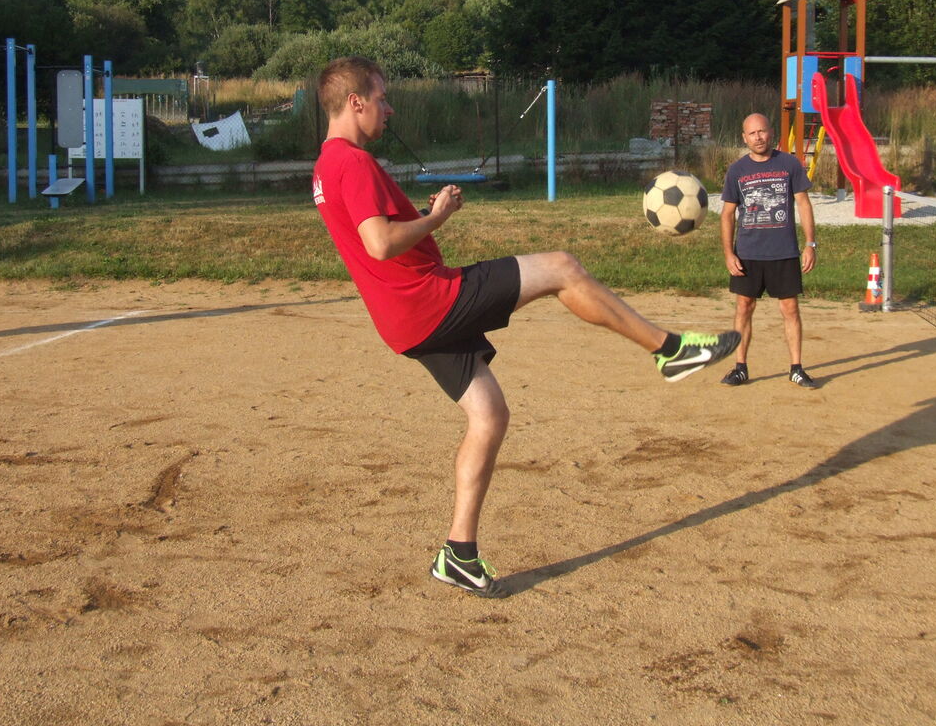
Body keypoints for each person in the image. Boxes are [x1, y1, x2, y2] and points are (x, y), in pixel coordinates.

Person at [311, 56, 739, 598]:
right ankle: (669, 349)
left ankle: (458, 554)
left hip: (405, 319)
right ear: (355, 103)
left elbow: (376, 235)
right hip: (428, 301)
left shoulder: (326, 166)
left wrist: (422, 216)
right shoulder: (352, 162)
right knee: (562, 267)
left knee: (489, 415)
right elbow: (379, 243)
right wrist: (438, 217)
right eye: (381, 98)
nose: (388, 109)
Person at [719, 112, 818, 389]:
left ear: (771, 132)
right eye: (752, 133)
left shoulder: (789, 164)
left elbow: (804, 204)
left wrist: (810, 244)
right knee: (744, 307)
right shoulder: (737, 171)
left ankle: (796, 368)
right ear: (744, 138)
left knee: (790, 308)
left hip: (783, 251)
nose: (758, 137)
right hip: (748, 253)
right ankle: (740, 368)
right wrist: (729, 253)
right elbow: (727, 214)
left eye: (761, 131)